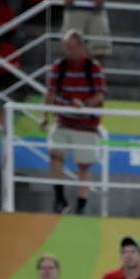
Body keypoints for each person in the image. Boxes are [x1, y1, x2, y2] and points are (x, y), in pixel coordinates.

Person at [46, 32, 106, 215]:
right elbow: (50, 93)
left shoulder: (93, 67)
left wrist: (84, 105)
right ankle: (60, 199)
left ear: (81, 46)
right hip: (63, 120)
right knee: (55, 154)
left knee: (84, 165)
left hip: (86, 124)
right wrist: (45, 116)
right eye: (66, 48)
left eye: (71, 48)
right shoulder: (59, 67)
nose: (68, 52)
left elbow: (100, 95)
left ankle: (81, 206)